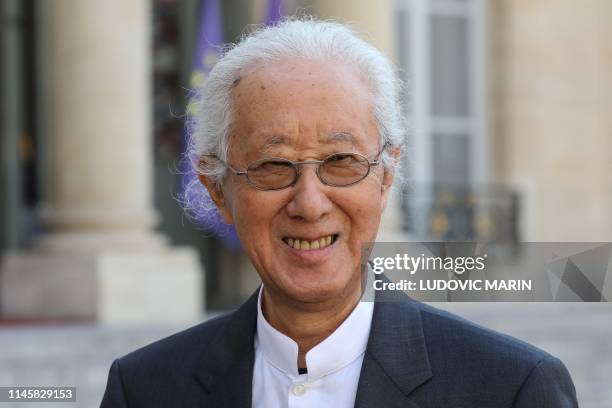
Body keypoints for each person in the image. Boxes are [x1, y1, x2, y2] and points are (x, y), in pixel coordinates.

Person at [101, 18, 577, 407]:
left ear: (387, 175)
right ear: (218, 191)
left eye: (342, 162)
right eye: (273, 165)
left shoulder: (511, 388)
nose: (310, 203)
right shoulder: (144, 389)